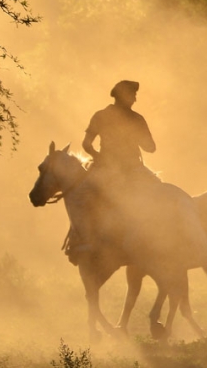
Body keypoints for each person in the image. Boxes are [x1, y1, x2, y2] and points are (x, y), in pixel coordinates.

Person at [65, 80, 159, 263]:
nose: (135, 99)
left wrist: (96, 155)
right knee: (84, 194)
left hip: (118, 167)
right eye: (132, 95)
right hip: (125, 168)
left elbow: (87, 145)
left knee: (81, 195)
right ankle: (82, 239)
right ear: (122, 95)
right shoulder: (133, 118)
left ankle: (81, 241)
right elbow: (151, 148)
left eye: (134, 95)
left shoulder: (104, 116)